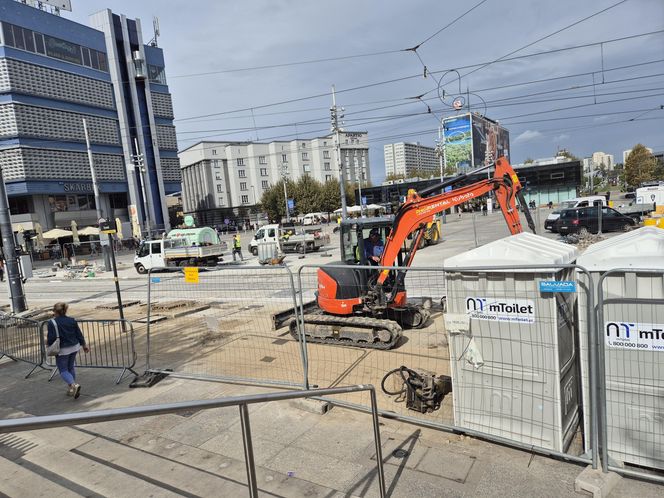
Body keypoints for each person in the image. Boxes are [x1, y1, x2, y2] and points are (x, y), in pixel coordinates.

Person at [46, 302, 89, 399]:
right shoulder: (72, 320)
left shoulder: (52, 322)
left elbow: (51, 337)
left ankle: (73, 385)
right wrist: (84, 345)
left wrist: (48, 344)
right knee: (70, 367)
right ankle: (71, 389)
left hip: (62, 349)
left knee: (63, 370)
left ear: (55, 311)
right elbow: (79, 334)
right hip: (74, 347)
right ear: (65, 311)